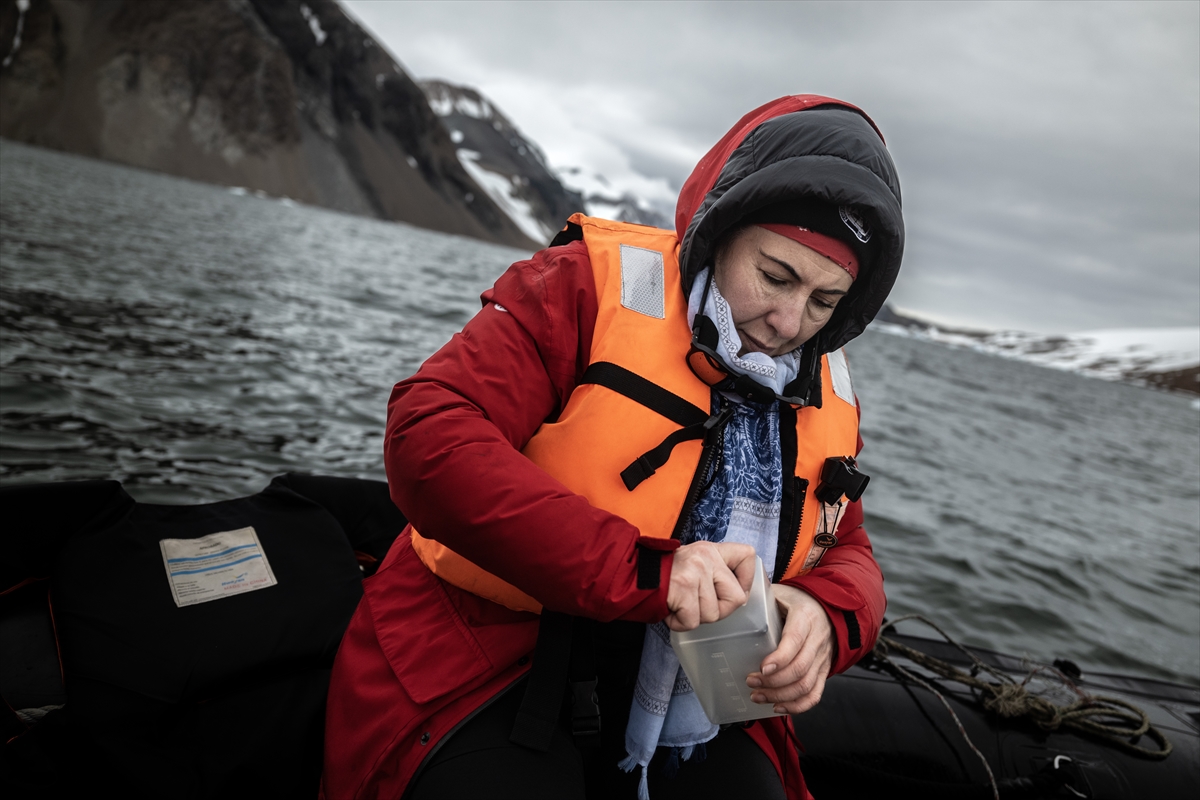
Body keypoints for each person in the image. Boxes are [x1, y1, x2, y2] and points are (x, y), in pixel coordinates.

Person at [323, 95, 904, 800]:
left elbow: (849, 548)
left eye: (823, 301)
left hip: (705, 704)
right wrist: (646, 571)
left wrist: (828, 614)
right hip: (497, 655)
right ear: (722, 229)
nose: (787, 322)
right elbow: (430, 434)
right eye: (776, 276)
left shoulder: (824, 387)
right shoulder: (581, 289)